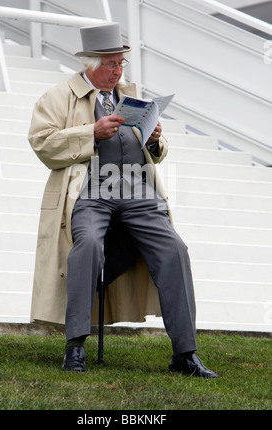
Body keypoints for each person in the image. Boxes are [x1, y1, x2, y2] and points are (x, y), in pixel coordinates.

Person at [28, 22, 217, 378]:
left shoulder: (132, 97)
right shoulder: (57, 97)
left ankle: (185, 354)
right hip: (90, 194)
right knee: (86, 248)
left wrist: (154, 140)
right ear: (90, 63)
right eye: (111, 64)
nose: (117, 71)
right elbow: (42, 143)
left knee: (175, 249)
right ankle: (75, 347)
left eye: (120, 64)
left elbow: (157, 153)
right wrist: (91, 133)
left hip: (138, 192)